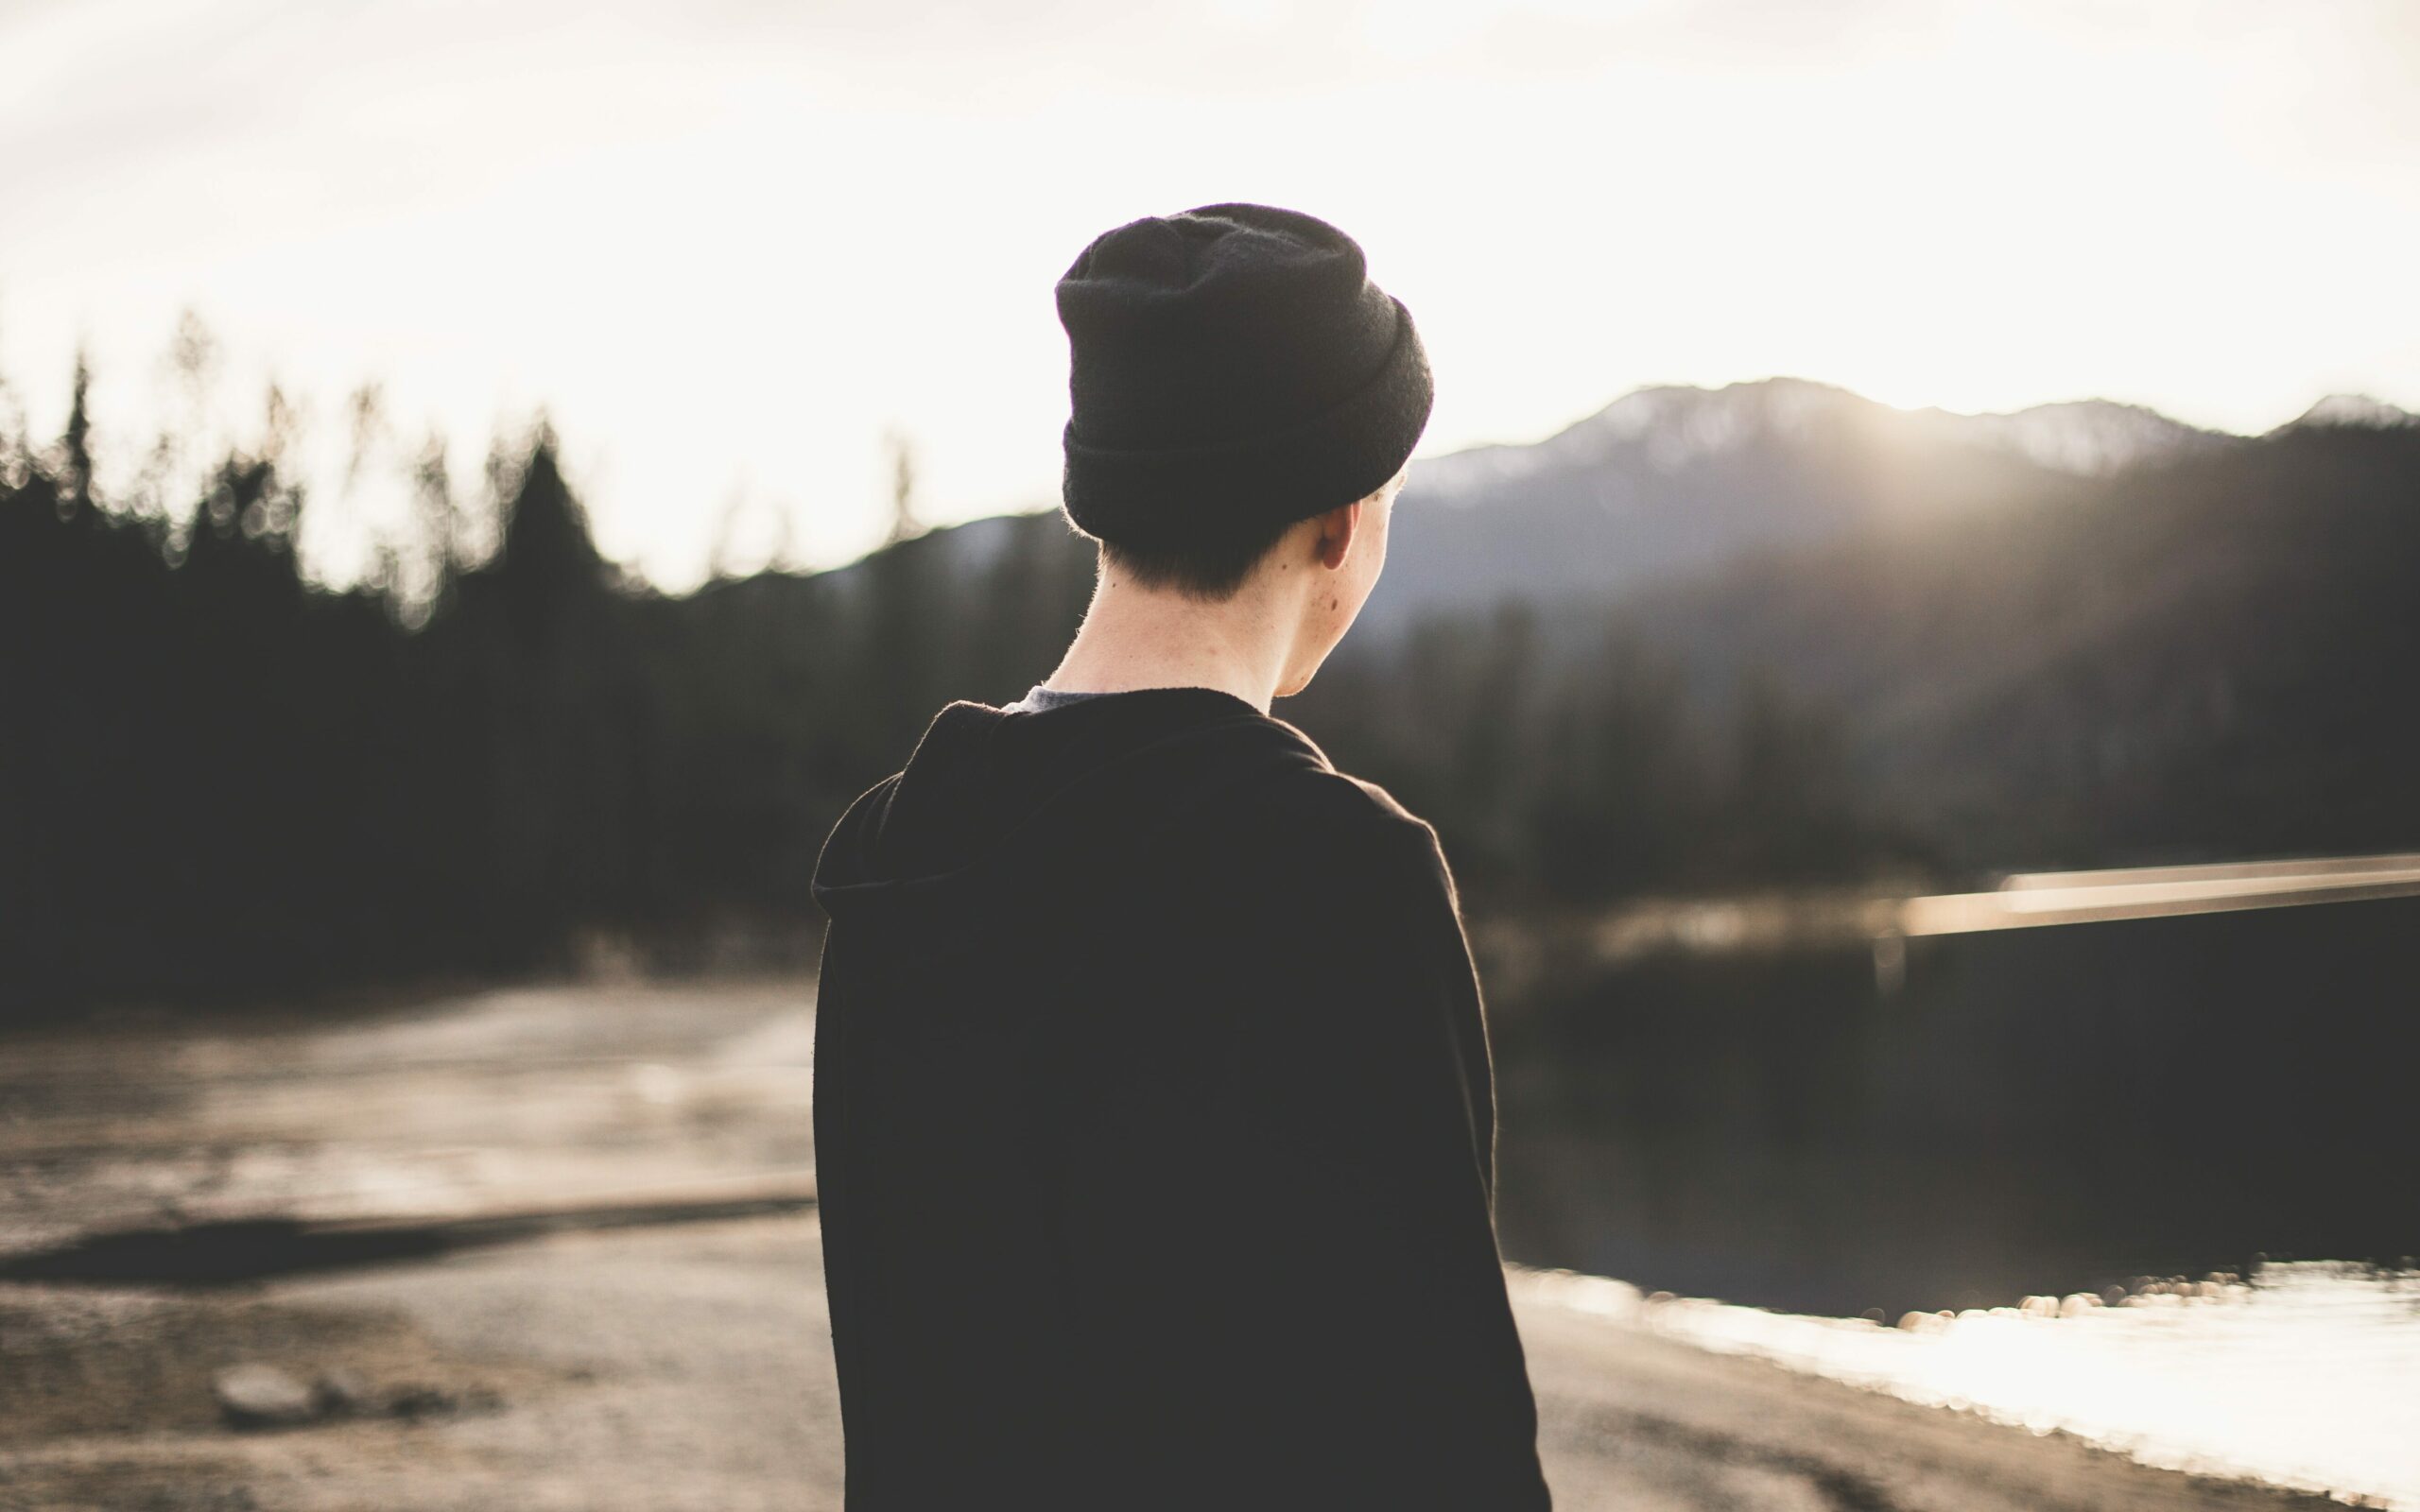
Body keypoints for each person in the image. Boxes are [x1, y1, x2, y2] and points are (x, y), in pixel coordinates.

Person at [809, 202, 1551, 1509]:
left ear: (1107, 506)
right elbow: (1443, 1431)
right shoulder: (1339, 874)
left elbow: (899, 1368)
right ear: (1340, 523)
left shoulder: (900, 850)